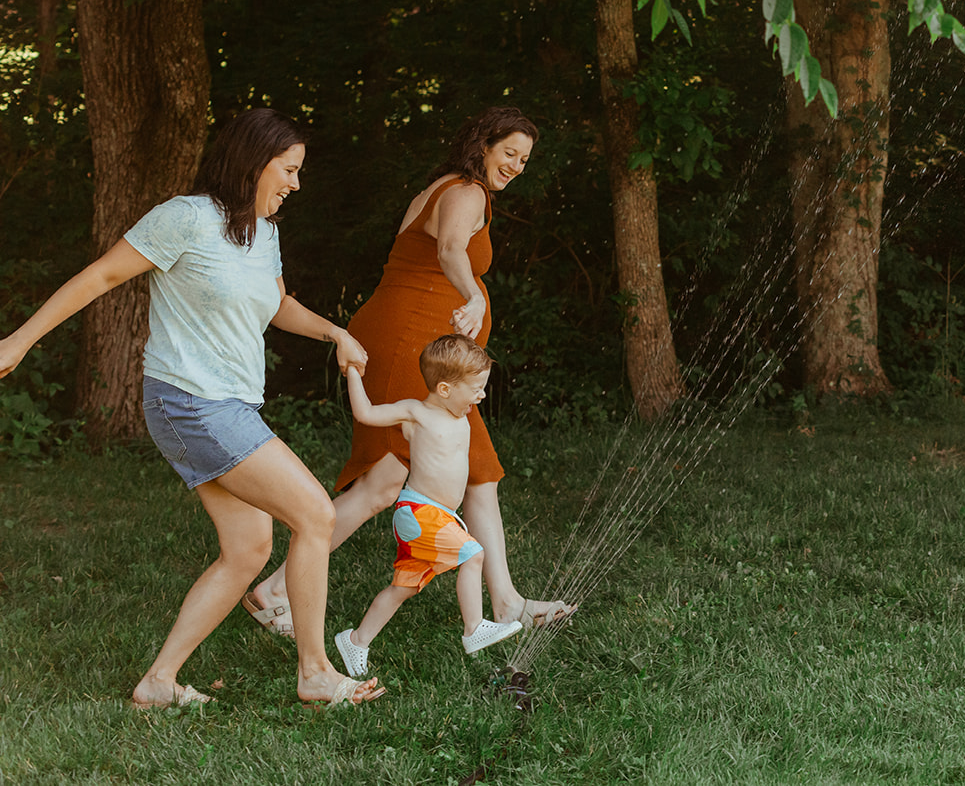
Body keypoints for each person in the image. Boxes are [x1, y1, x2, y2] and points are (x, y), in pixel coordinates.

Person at [0, 108, 384, 708]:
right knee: (315, 516)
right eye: (289, 169)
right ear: (255, 162)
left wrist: (336, 332)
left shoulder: (265, 232)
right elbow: (102, 276)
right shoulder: (186, 218)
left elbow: (278, 307)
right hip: (189, 401)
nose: (295, 184)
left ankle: (158, 684)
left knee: (249, 548)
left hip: (229, 403)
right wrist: (19, 340)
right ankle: (315, 672)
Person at [246, 106, 571, 637]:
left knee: (476, 473)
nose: (516, 166)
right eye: (509, 152)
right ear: (482, 144)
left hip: (407, 338)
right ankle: (276, 588)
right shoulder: (466, 192)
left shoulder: (443, 187)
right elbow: (447, 251)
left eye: (525, 159)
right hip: (408, 346)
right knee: (386, 481)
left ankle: (507, 601)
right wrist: (472, 296)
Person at [334, 335, 537, 678]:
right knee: (473, 554)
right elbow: (365, 413)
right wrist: (353, 372)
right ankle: (474, 628)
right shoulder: (417, 414)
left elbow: (458, 362)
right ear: (444, 389)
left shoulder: (459, 413)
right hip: (417, 510)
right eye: (475, 389)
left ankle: (356, 640)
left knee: (402, 588)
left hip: (440, 516)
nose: (481, 395)